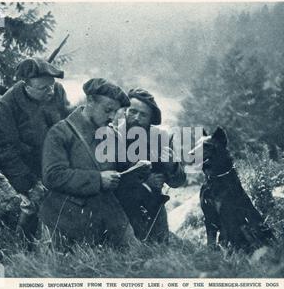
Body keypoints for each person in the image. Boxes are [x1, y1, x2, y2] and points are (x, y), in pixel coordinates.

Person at [39, 78, 140, 248]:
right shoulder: (60, 132)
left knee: (134, 261)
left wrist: (137, 170)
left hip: (110, 216)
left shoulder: (113, 135)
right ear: (90, 101)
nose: (112, 117)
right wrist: (98, 179)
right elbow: (52, 176)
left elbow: (121, 171)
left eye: (116, 112)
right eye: (108, 110)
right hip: (67, 220)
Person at [0, 58, 71, 241]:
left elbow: (68, 125)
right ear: (26, 86)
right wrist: (29, 184)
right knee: (31, 211)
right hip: (25, 170)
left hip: (57, 161)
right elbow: (6, 152)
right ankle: (22, 246)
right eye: (44, 88)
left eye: (52, 85)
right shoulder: (6, 105)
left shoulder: (57, 91)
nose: (51, 91)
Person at [115, 88, 186, 243]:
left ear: (151, 118)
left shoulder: (160, 138)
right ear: (125, 111)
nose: (136, 118)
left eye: (143, 115)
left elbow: (178, 181)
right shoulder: (113, 134)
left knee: (159, 250)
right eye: (132, 111)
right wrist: (144, 185)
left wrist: (171, 165)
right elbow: (106, 180)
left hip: (153, 210)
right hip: (119, 209)